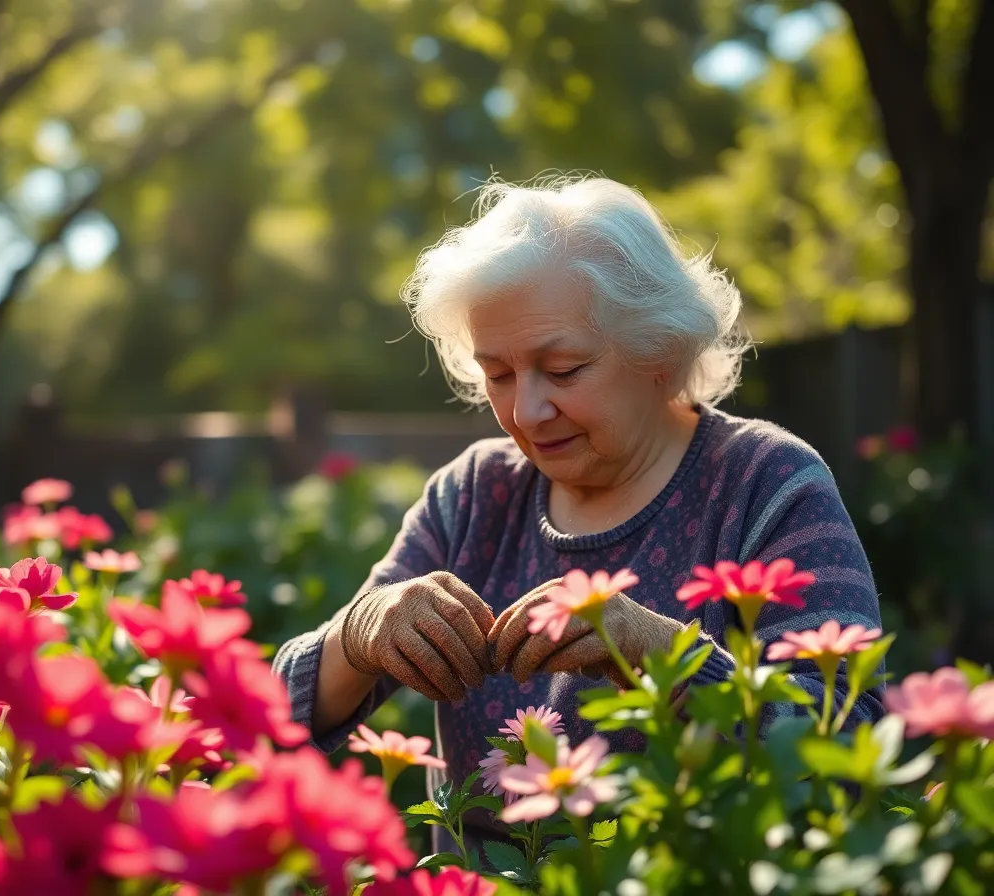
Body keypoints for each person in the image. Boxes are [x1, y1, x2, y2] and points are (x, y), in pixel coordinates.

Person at [272, 175, 884, 851]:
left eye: (562, 369)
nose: (526, 411)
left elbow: (846, 747)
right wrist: (360, 631)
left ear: (660, 350)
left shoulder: (763, 483)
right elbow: (275, 719)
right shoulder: (473, 494)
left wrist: (660, 654)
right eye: (498, 374)